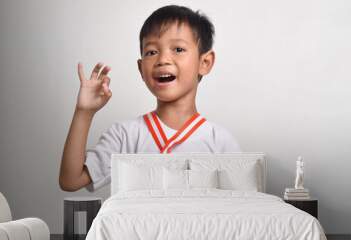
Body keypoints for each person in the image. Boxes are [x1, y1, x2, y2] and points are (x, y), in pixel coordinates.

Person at [59, 5, 241, 192]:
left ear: (205, 63)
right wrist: (84, 112)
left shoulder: (220, 141)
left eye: (178, 49)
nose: (163, 59)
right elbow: (71, 180)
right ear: (141, 69)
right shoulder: (125, 135)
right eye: (152, 52)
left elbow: (240, 207)